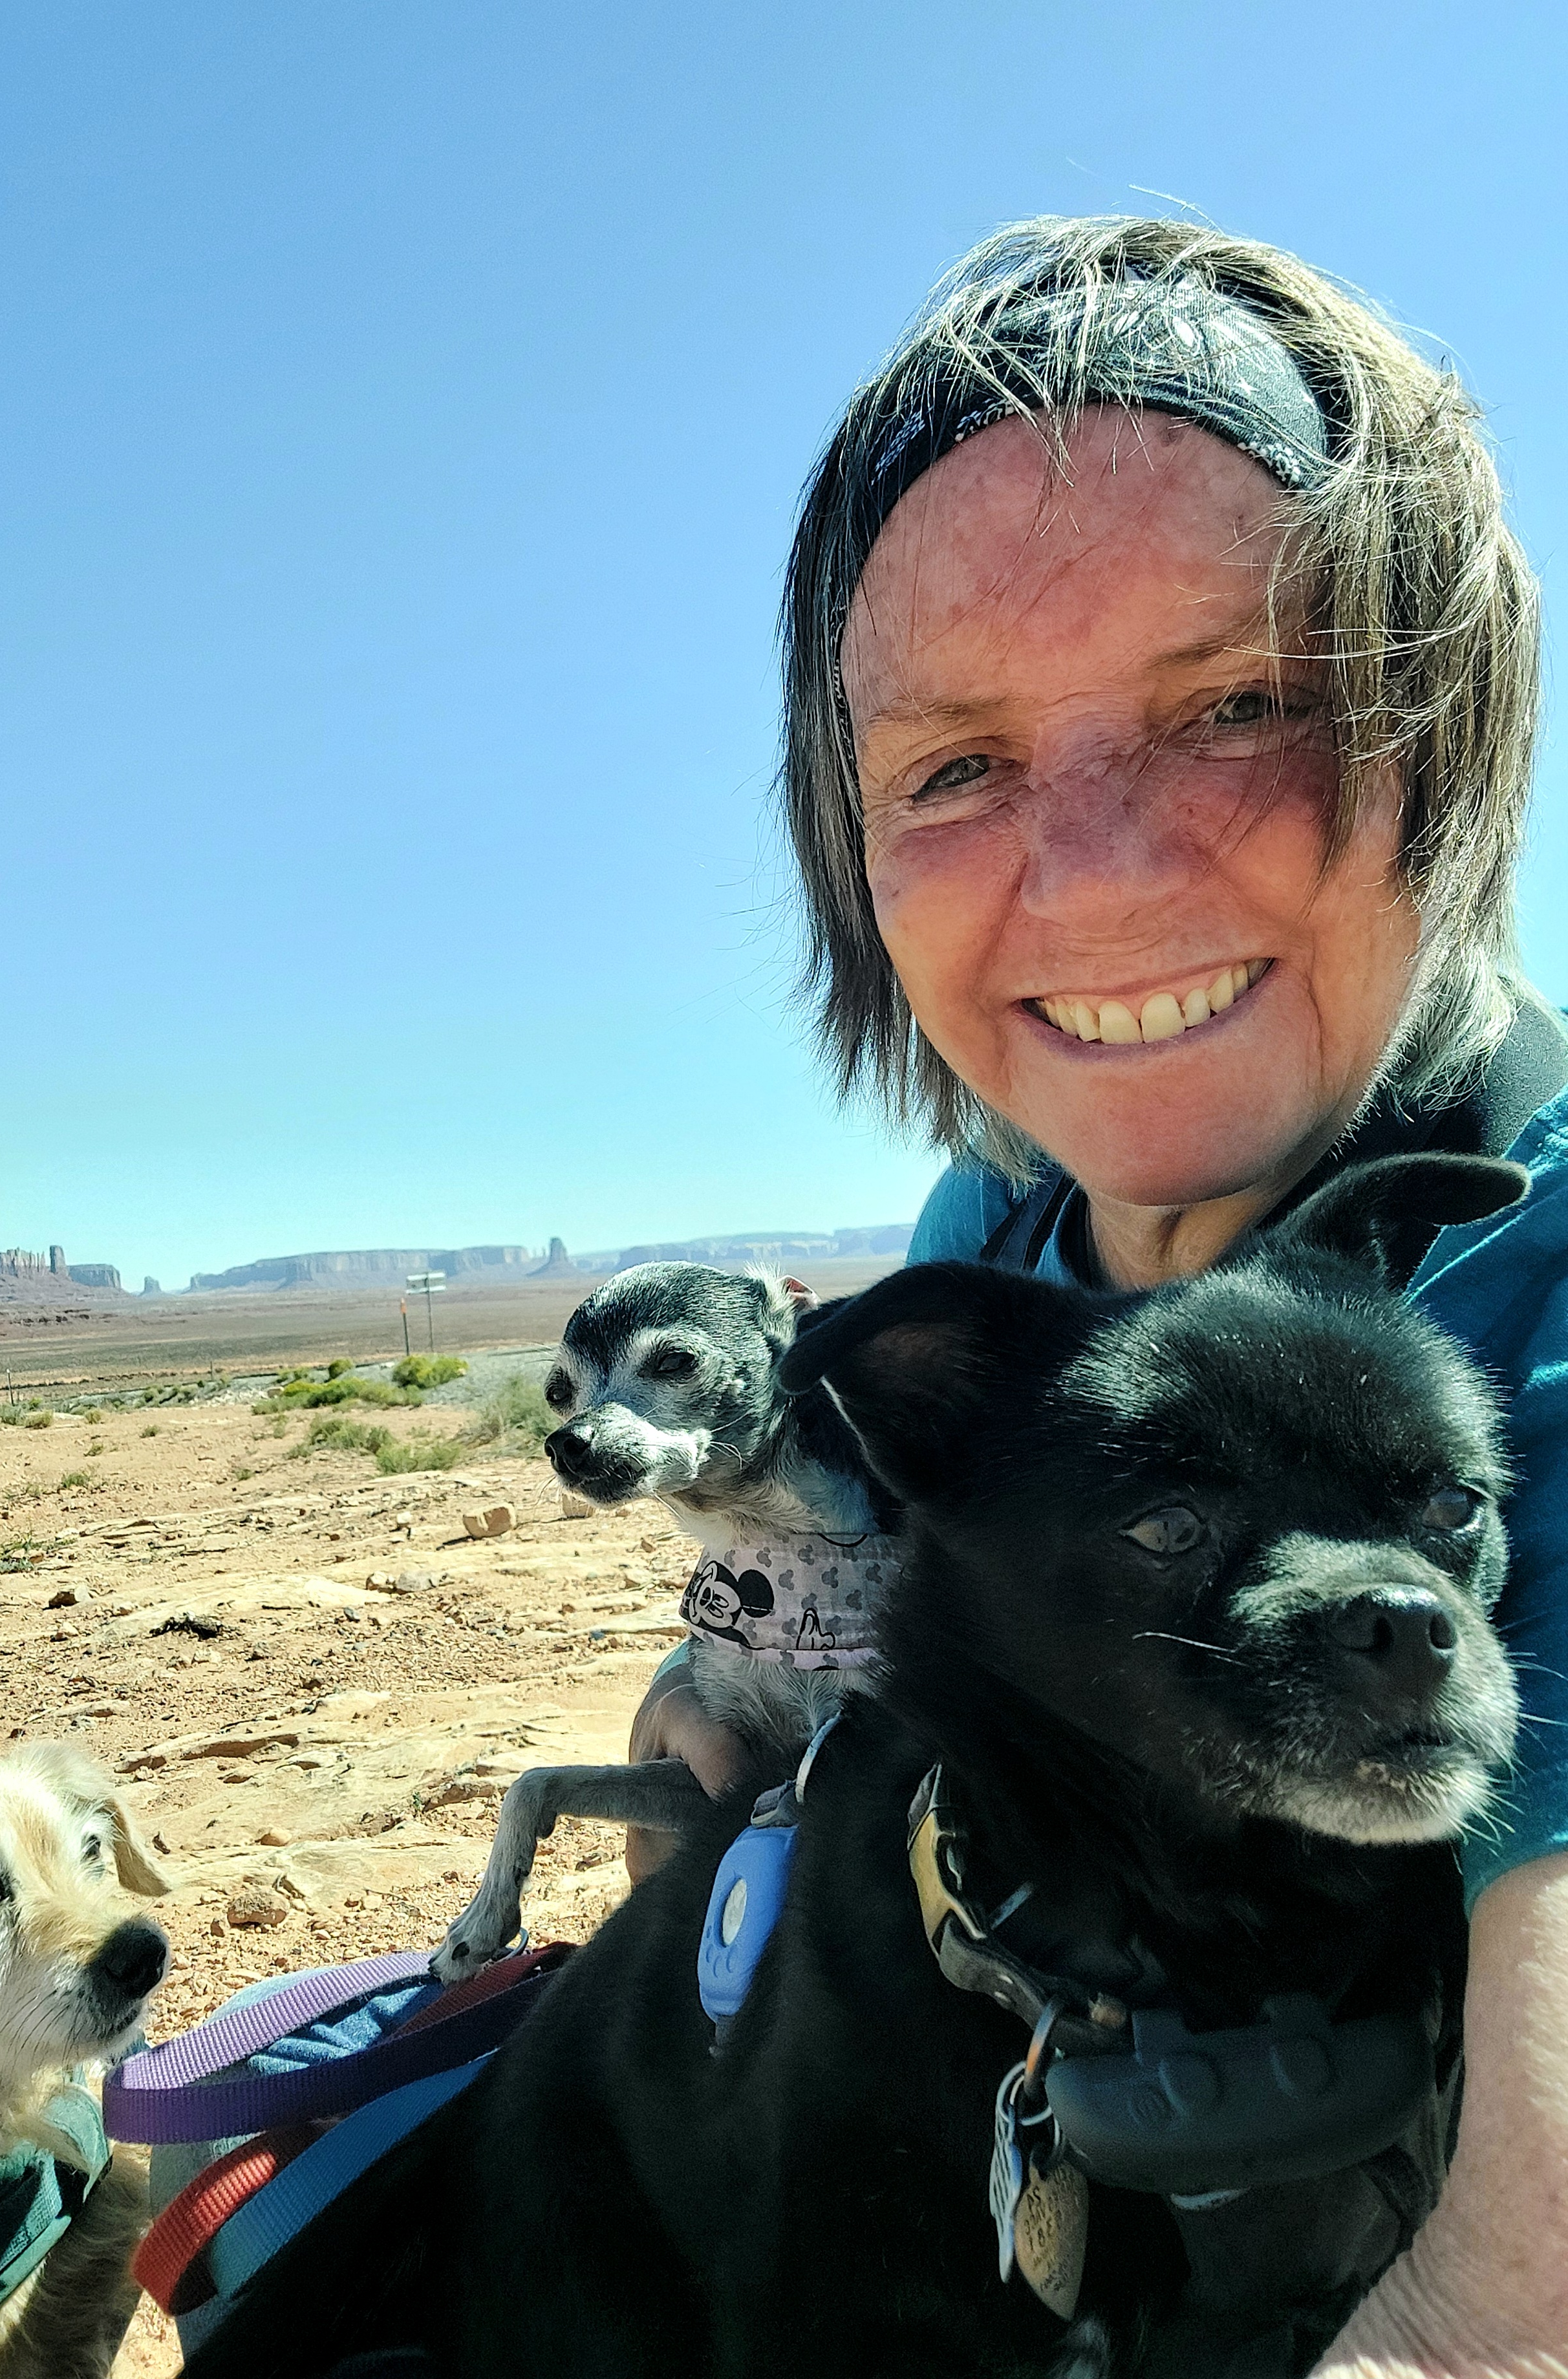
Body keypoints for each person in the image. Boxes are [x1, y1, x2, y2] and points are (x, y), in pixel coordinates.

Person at [630, 216, 1568, 2375]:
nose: (1103, 876)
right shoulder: (999, 1225)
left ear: (1447, 739)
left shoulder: (1541, 1256)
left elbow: (1511, 2314)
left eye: (1240, 704)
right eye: (954, 766)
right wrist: (730, 1697)